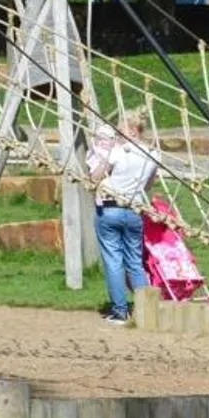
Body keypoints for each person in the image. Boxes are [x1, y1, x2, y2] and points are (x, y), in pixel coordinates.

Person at [85, 110, 159, 324]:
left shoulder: (119, 151)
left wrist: (100, 160)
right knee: (135, 261)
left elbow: (96, 176)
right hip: (134, 210)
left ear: (134, 131)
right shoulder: (153, 154)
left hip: (109, 209)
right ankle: (147, 311)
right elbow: (149, 184)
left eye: (122, 128)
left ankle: (119, 310)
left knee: (113, 260)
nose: (117, 132)